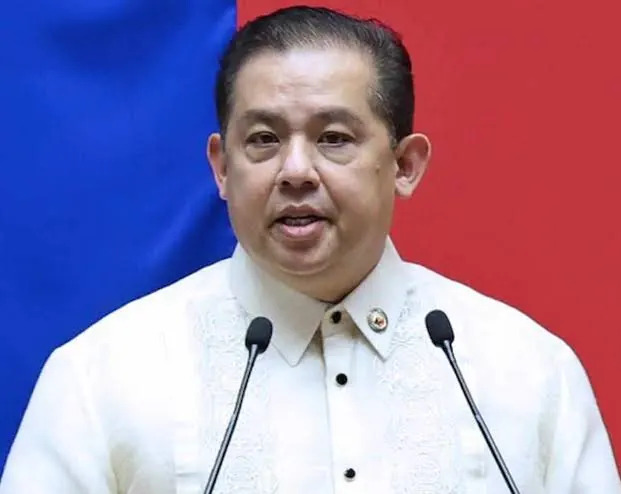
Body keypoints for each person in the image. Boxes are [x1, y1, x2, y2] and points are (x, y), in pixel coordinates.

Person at [1, 5, 619, 493]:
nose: (296, 171)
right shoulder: (100, 378)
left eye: (334, 138)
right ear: (222, 167)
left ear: (404, 165)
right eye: (264, 139)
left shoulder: (529, 374)